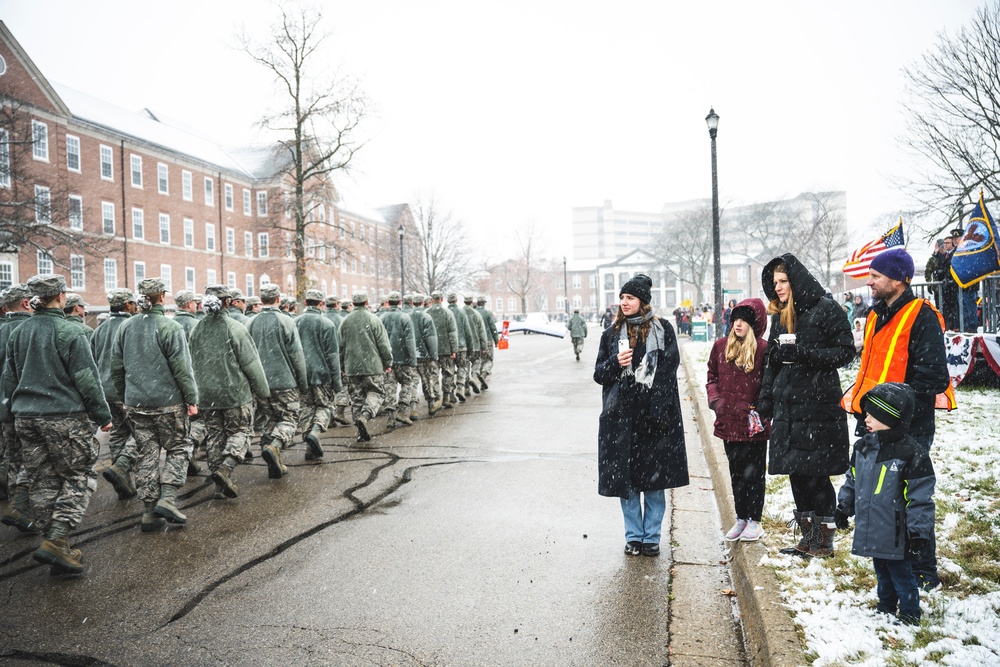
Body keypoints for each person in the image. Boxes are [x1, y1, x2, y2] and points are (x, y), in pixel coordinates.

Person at [841, 247, 952, 590]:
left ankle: (923, 570)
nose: (869, 282)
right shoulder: (875, 315)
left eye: (876, 276)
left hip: (909, 427)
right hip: (874, 422)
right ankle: (890, 568)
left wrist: (895, 409)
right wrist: (869, 411)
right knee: (880, 497)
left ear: (898, 280)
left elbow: (933, 377)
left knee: (911, 498)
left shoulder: (923, 316)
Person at [0, 274, 112, 574]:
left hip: (26, 417)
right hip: (63, 417)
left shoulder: (19, 332)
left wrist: (11, 412)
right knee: (79, 476)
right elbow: (87, 379)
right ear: (60, 297)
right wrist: (103, 415)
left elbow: (9, 378)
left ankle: (58, 546)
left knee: (43, 479)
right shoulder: (69, 331)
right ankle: (56, 537)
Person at [756, 254, 854, 558]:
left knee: (816, 474)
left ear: (796, 280)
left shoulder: (827, 310)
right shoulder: (779, 315)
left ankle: (823, 543)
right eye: (775, 283)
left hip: (817, 406)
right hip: (788, 407)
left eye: (783, 281)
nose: (779, 287)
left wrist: (805, 354)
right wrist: (765, 400)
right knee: (796, 473)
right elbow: (772, 362)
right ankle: (807, 538)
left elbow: (845, 352)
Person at [594, 274, 688, 557]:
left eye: (630, 298)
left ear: (642, 302)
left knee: (655, 483)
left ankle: (652, 537)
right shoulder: (611, 335)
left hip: (655, 417)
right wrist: (615, 363)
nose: (624, 302)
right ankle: (633, 536)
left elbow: (669, 369)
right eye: (622, 298)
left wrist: (653, 401)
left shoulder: (662, 329)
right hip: (622, 419)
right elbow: (599, 374)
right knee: (629, 482)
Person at [835, 383, 935, 625]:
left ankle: (910, 612)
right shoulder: (864, 447)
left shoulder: (912, 454)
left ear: (889, 417)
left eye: (872, 414)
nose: (866, 418)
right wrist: (843, 507)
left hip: (896, 530)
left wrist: (919, 533)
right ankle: (886, 605)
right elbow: (853, 480)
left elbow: (919, 499)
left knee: (901, 573)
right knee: (881, 569)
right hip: (873, 526)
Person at [109, 278, 199, 532]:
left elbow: (116, 367)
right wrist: (191, 399)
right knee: (178, 447)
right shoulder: (169, 327)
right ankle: (168, 499)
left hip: (136, 403)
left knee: (146, 453)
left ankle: (149, 512)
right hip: (168, 402)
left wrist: (125, 395)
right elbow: (183, 369)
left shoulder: (126, 327)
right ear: (162, 297)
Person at [189, 285, 270, 498]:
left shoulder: (196, 329)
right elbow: (251, 363)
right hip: (234, 393)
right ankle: (226, 468)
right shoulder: (234, 328)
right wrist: (262, 391)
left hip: (207, 394)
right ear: (227, 302)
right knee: (241, 432)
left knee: (215, 436)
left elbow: (190, 362)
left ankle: (219, 485)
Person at [706, 298, 770, 542]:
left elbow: (768, 383)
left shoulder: (763, 349)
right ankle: (741, 517)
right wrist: (717, 403)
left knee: (754, 474)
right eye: (736, 319)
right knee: (736, 472)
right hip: (728, 420)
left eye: (744, 320)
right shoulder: (721, 346)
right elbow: (712, 376)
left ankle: (755, 519)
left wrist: (762, 409)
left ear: (754, 324)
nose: (738, 324)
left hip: (753, 422)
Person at [246, 284, 308, 479]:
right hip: (284, 380)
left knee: (268, 420)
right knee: (289, 418)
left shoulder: (250, 323)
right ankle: (275, 446)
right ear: (279, 299)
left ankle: (274, 463)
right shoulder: (286, 321)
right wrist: (302, 382)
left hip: (260, 381)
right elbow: (297, 355)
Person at [91, 288, 139, 500]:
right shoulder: (132, 327)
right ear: (127, 305)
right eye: (133, 303)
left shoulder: (99, 330)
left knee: (119, 434)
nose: (136, 306)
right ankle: (121, 467)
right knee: (143, 433)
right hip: (126, 390)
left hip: (105, 391)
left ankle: (124, 482)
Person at [339, 291, 393, 442]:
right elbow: (383, 345)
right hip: (372, 365)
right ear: (367, 302)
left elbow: (340, 347)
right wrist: (387, 362)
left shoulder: (345, 321)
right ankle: (366, 415)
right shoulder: (374, 319)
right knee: (377, 392)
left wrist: (343, 365)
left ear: (353, 302)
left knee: (357, 398)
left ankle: (360, 431)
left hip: (352, 366)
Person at [295, 289, 343, 461]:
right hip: (322, 373)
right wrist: (337, 382)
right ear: (321, 304)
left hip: (302, 373)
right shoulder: (327, 324)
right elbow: (333, 356)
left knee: (306, 409)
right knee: (325, 406)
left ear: (306, 303)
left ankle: (309, 447)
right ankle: (315, 432)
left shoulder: (296, 322)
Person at [381, 292, 418, 427]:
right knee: (407, 383)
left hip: (388, 359)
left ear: (388, 302)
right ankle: (402, 412)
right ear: (400, 302)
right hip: (403, 358)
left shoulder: (382, 317)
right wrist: (413, 359)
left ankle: (390, 417)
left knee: (389, 386)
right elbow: (410, 341)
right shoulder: (405, 318)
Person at [427, 291, 459, 410]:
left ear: (431, 300)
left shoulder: (426, 313)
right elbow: (452, 333)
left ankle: (437, 398)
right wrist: (454, 349)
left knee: (433, 375)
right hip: (446, 349)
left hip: (432, 350)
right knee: (448, 373)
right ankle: (446, 397)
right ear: (441, 299)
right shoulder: (448, 313)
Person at [475, 296, 499, 389]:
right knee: (488, 360)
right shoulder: (488, 313)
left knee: (480, 360)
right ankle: (483, 375)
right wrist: (496, 340)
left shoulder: (474, 313)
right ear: (484, 303)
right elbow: (493, 328)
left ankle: (481, 380)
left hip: (476, 341)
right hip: (487, 340)